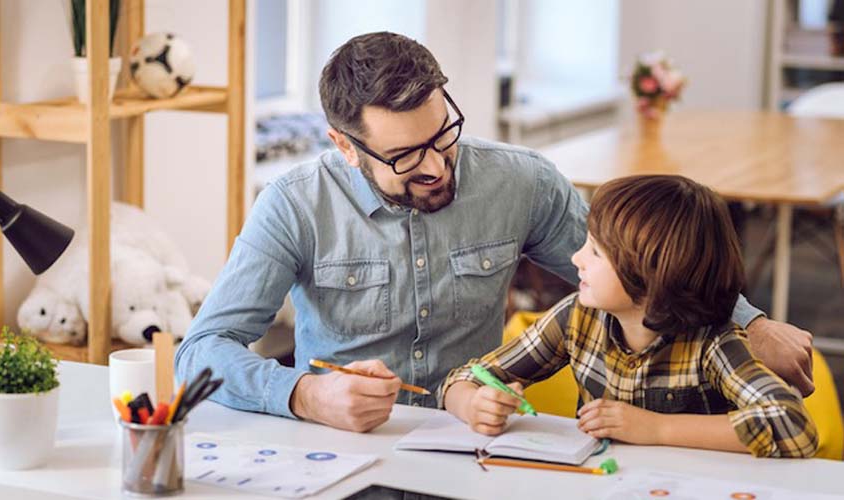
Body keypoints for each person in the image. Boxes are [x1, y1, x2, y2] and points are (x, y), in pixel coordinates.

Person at [175, 32, 814, 433]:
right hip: (344, 450)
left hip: (474, 448)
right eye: (403, 157)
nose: (433, 166)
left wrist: (752, 323)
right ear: (344, 146)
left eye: (442, 135)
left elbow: (642, 268)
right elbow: (200, 350)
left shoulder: (521, 181)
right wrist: (307, 395)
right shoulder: (293, 204)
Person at [441, 175, 817, 458]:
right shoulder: (576, 318)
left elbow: (794, 426)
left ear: (651, 278)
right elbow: (465, 377)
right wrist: (472, 404)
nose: (576, 259)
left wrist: (657, 428)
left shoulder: (713, 342)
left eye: (596, 253)